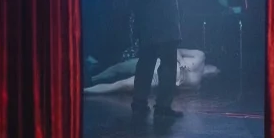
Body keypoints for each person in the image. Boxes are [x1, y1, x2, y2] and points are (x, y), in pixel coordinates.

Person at [83, 49, 219, 94]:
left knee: (120, 84)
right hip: (158, 62)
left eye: (217, 74)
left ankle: (84, 91)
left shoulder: (196, 85)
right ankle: (93, 79)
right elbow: (176, 50)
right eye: (217, 69)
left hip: (158, 77)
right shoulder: (200, 56)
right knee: (119, 67)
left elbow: (174, 89)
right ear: (212, 65)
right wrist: (182, 63)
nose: (215, 72)